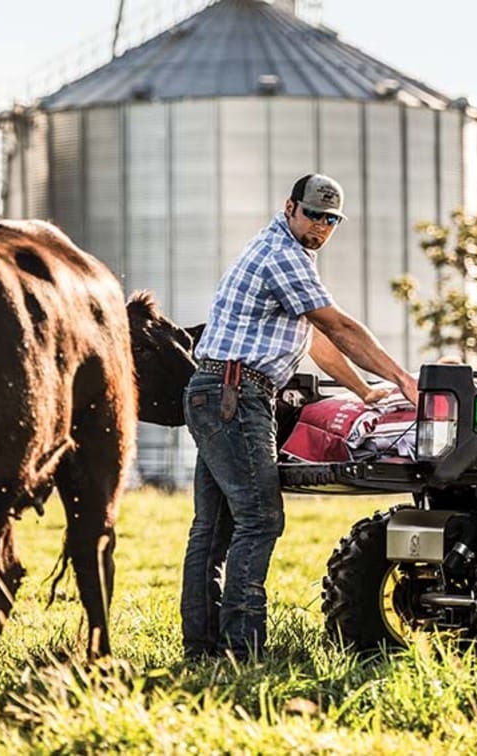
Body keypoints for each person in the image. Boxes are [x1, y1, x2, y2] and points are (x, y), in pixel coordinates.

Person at [181, 173, 420, 661]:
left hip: (216, 390)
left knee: (214, 525)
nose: (322, 226)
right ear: (290, 207)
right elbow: (338, 325)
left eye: (331, 219)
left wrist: (362, 390)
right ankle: (241, 650)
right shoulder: (283, 255)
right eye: (314, 215)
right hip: (235, 394)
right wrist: (401, 378)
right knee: (260, 520)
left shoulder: (288, 256)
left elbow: (315, 339)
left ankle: (202, 647)